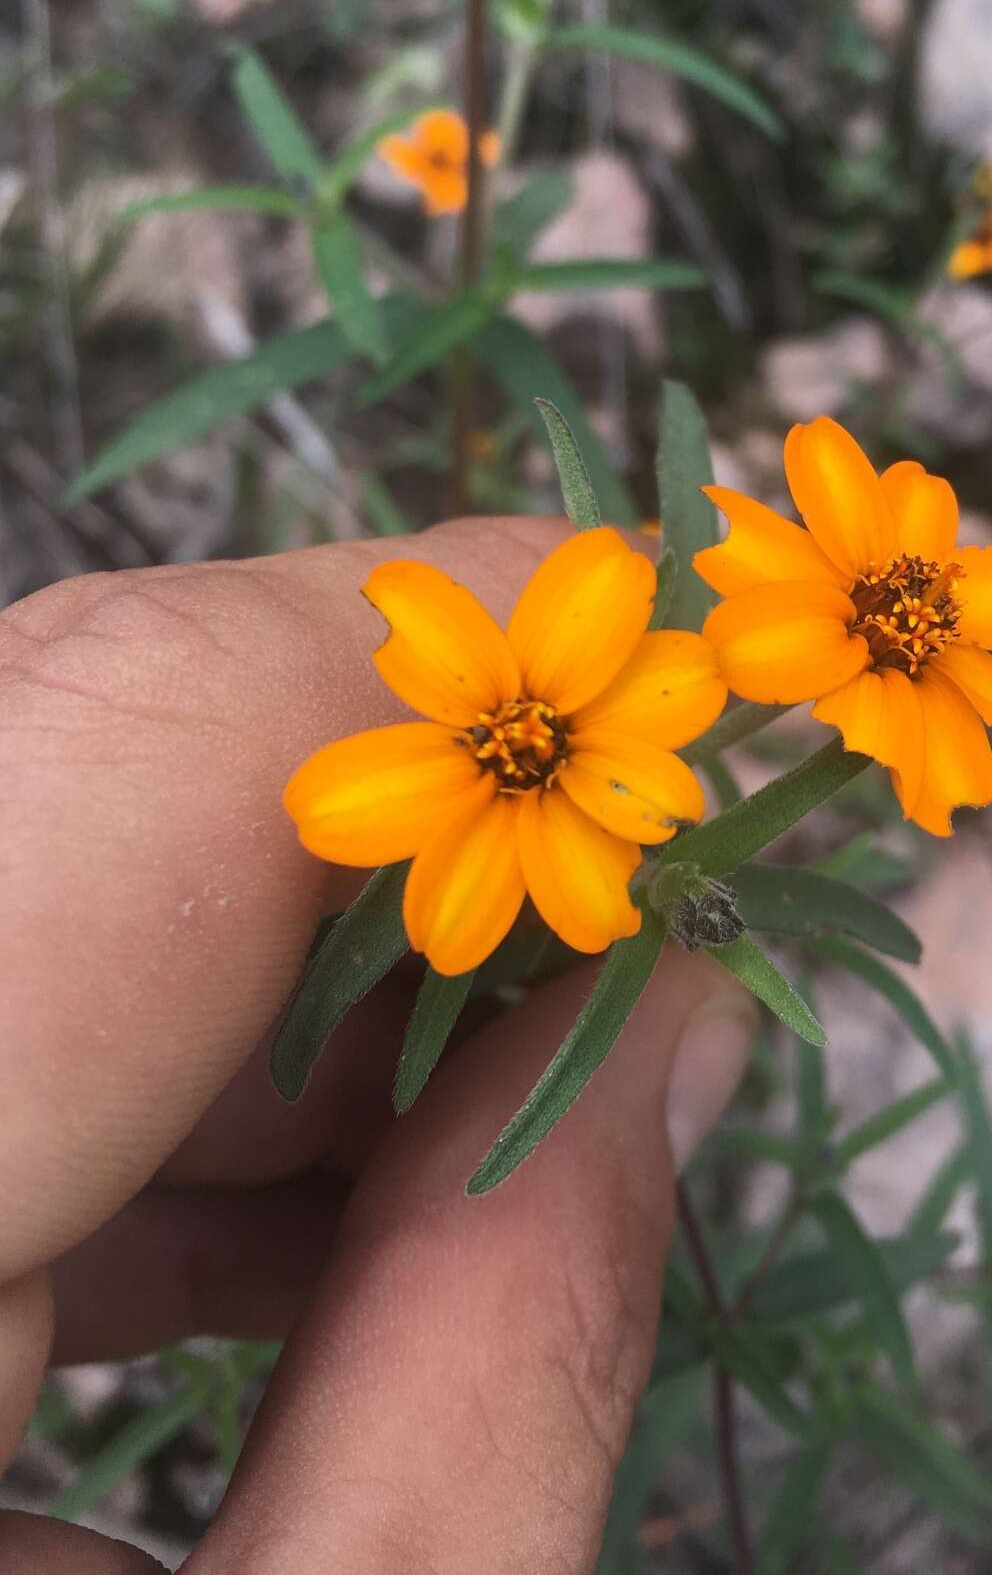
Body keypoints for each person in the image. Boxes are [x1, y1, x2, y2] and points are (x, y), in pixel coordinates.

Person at [0, 517, 758, 1573]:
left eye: (528, 733)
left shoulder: (622, 731)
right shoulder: (467, 774)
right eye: (512, 731)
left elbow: (670, 707)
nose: (525, 736)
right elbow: (376, 818)